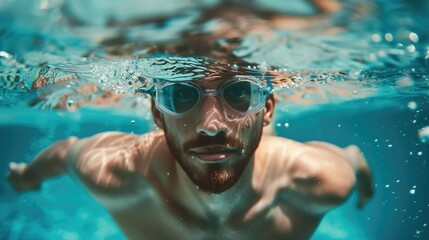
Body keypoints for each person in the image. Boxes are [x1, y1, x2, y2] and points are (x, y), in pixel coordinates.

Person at [7, 71, 374, 240]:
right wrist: (28, 174)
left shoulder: (319, 180)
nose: (211, 125)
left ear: (267, 109)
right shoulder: (116, 173)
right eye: (181, 95)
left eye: (240, 93)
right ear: (155, 113)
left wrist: (358, 167)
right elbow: (64, 153)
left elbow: (350, 164)